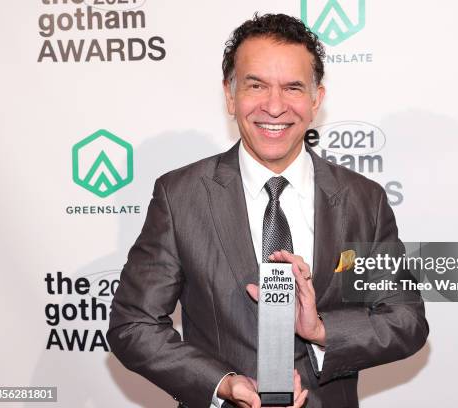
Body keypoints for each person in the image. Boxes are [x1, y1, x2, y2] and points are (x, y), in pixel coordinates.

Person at [108, 13, 428, 408]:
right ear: (230, 94)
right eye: (255, 85)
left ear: (316, 100)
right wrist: (223, 384)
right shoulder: (180, 196)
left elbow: (405, 321)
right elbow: (134, 324)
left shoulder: (363, 200)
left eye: (293, 87)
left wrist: (321, 330)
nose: (274, 107)